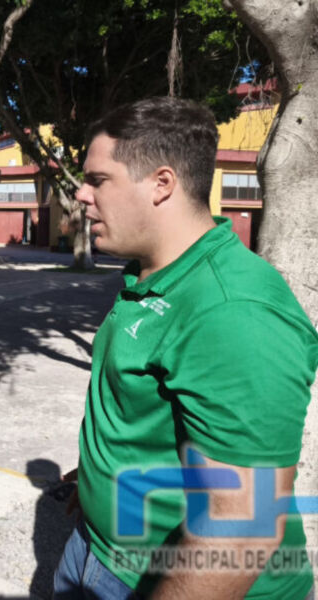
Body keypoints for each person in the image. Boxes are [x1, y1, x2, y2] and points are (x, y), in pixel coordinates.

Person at [53, 97, 318, 599]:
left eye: (98, 180)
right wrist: (99, 474)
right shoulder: (151, 271)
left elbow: (241, 530)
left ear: (162, 183)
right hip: (96, 550)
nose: (81, 196)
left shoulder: (233, 311)